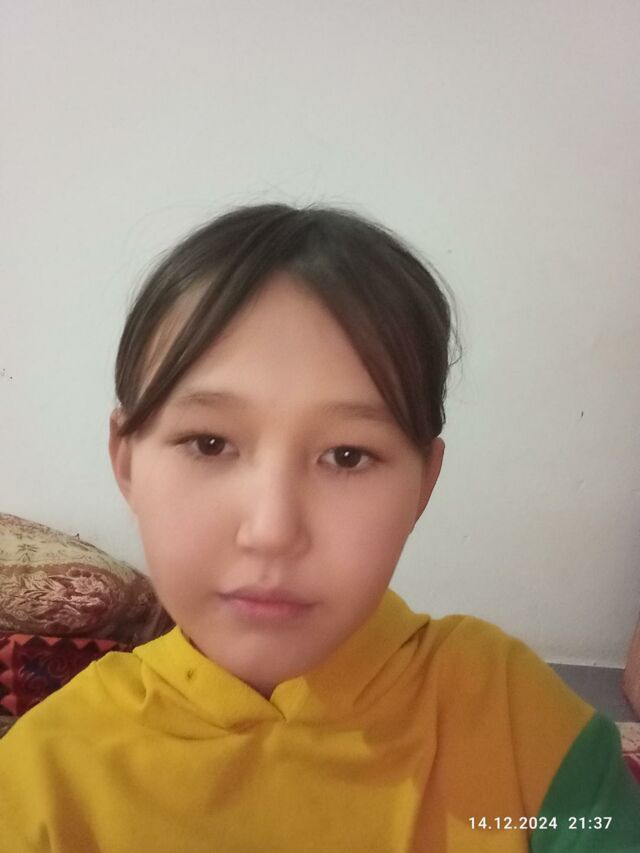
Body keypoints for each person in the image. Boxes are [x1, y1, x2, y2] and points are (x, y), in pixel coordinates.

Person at [0, 204, 638, 852]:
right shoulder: (41, 783)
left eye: (347, 455)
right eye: (210, 443)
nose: (272, 530)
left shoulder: (517, 721)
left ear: (424, 483)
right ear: (127, 462)